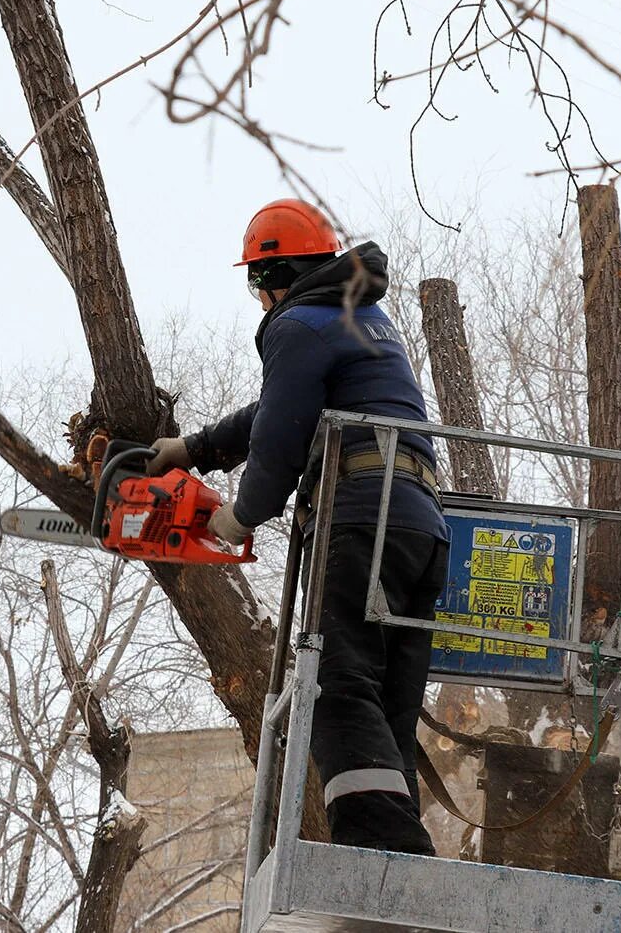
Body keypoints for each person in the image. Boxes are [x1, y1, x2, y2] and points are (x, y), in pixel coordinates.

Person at [148, 198, 449, 855]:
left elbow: (283, 433)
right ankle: (404, 847)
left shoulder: (298, 326)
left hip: (363, 518)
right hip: (422, 527)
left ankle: (377, 847)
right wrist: (194, 449)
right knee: (388, 704)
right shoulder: (357, 319)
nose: (258, 299)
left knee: (337, 685)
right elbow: (278, 406)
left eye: (256, 283)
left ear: (274, 276)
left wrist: (239, 513)